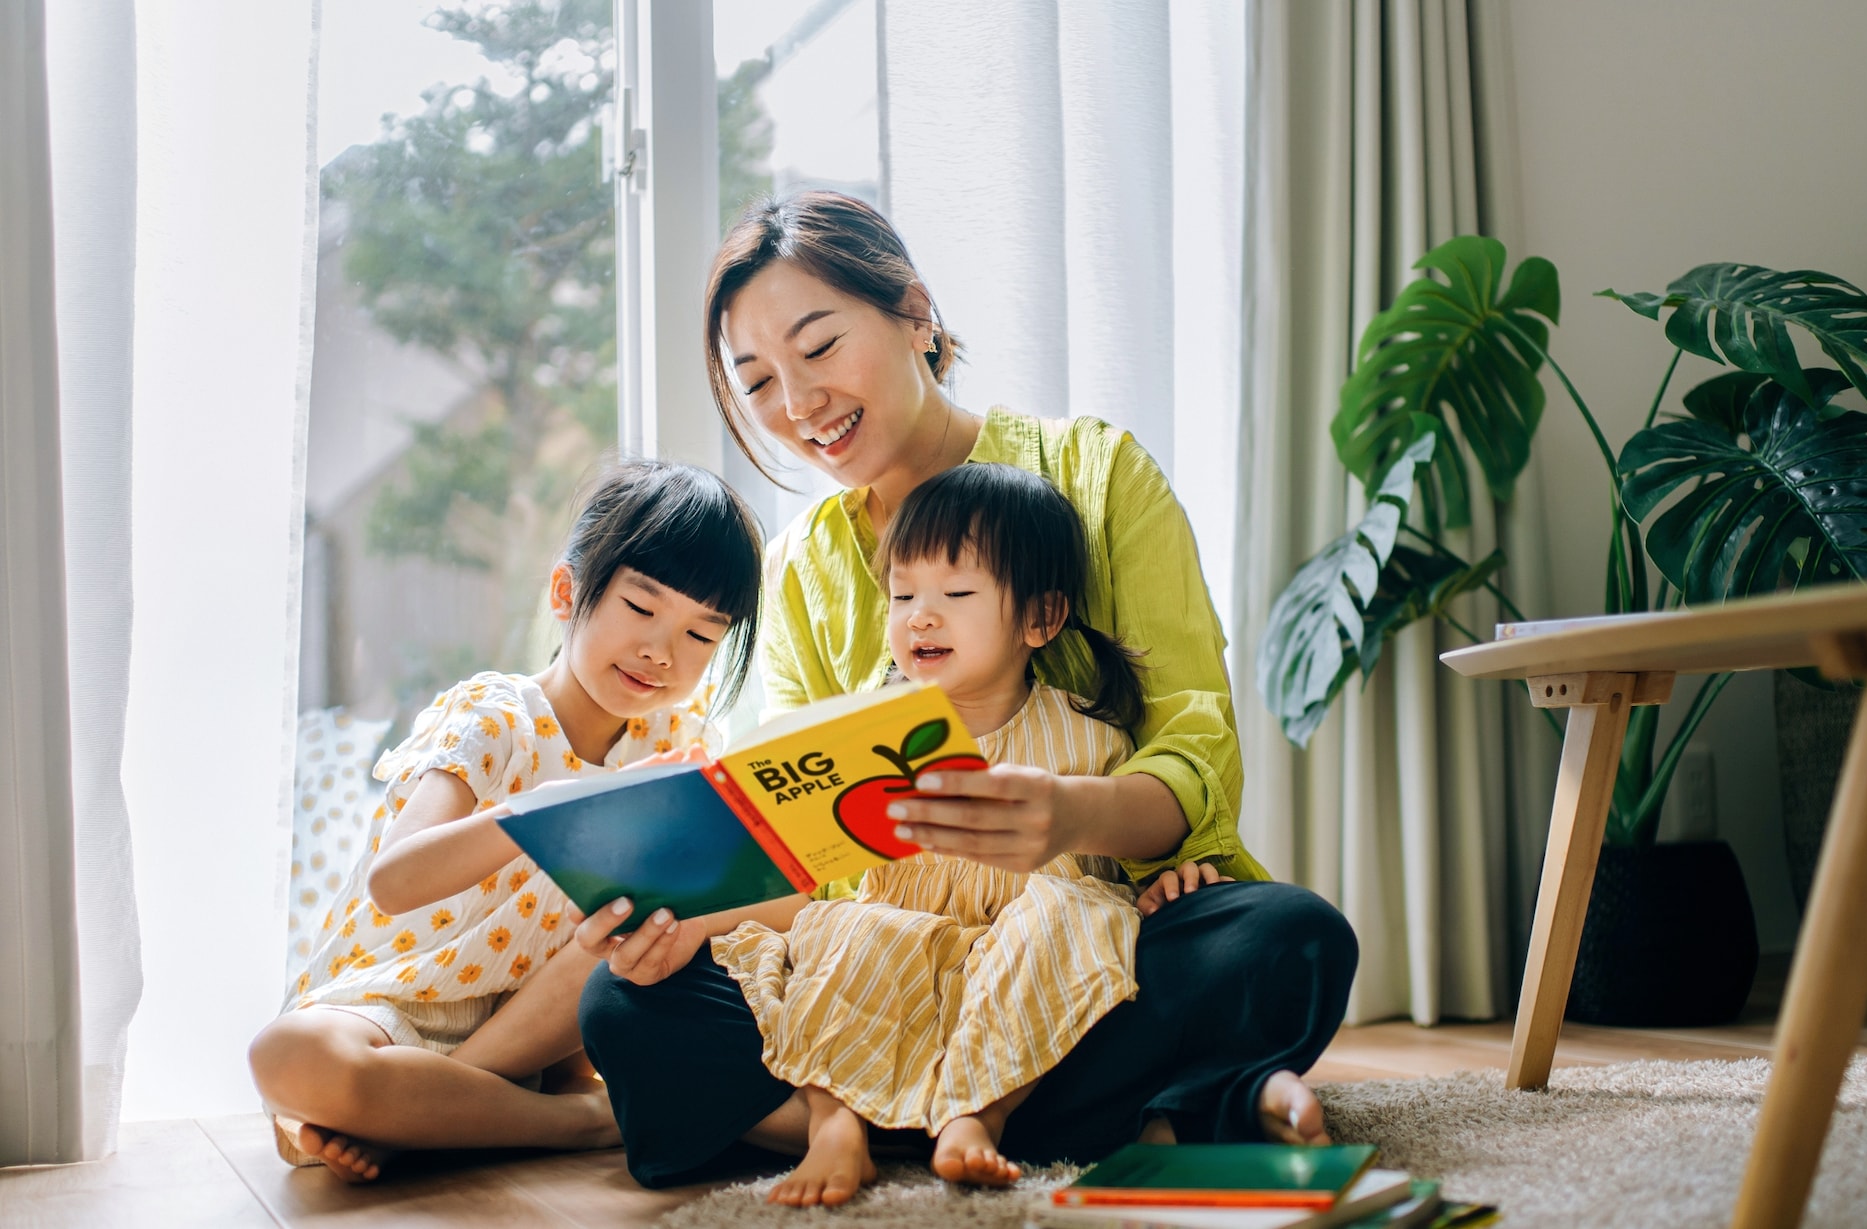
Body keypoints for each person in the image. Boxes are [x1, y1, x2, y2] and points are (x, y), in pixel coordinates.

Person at [576, 191, 1359, 1190]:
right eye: (760, 380)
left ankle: (873, 1115)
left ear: (914, 313)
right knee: (621, 1003)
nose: (798, 402)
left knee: (1287, 939)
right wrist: (688, 918)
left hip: (1080, 936)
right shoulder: (805, 569)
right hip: (885, 956)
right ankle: (1099, 1108)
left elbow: (1193, 746)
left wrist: (1070, 814)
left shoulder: (1096, 473)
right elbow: (808, 852)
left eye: (818, 346)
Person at [247, 460, 764, 1182]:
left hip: (535, 1029)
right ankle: (570, 1123)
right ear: (566, 592)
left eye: (702, 635)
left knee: (626, 926)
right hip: (396, 1001)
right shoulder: (498, 716)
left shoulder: (680, 741)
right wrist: (550, 812)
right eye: (641, 609)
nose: (662, 652)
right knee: (286, 1057)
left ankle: (436, 1112)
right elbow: (394, 881)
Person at [717, 463, 1163, 1206]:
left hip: (1019, 966)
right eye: (903, 594)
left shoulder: (1090, 738)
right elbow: (813, 870)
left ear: (1040, 618)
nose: (920, 616)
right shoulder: (865, 730)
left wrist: (1170, 877)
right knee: (846, 926)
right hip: (895, 947)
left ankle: (972, 1115)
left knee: (1079, 911)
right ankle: (836, 1121)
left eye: (955, 595)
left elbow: (1122, 879)